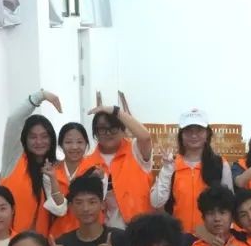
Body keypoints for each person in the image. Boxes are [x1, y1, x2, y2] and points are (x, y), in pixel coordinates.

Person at [151, 109, 233, 232]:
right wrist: (167, 169)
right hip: (179, 236)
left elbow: (228, 204)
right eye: (188, 130)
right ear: (181, 135)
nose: (194, 135)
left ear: (207, 134)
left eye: (199, 130)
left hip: (210, 238)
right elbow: (156, 202)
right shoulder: (171, 164)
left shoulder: (220, 165)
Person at [78, 98, 155, 227]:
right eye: (102, 129)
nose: (108, 133)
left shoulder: (135, 151)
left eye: (113, 128)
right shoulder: (87, 162)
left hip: (139, 228)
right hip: (102, 231)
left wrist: (115, 111)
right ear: (95, 132)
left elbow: (145, 137)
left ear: (122, 130)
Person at [0, 90, 67, 233]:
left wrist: (52, 179)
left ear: (51, 139)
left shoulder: (57, 168)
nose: (39, 142)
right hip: (10, 243)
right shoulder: (13, 159)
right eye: (33, 137)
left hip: (41, 244)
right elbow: (13, 121)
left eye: (44, 136)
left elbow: (60, 209)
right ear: (25, 139)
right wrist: (40, 96)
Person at [52, 174, 129, 246]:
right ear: (71, 207)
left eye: (92, 202)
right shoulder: (61, 244)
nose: (85, 208)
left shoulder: (120, 239)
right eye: (79, 203)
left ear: (102, 204)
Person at [48, 121, 100, 238]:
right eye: (68, 142)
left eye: (80, 142)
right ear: (60, 144)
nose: (74, 147)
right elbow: (58, 210)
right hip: (59, 234)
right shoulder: (51, 172)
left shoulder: (97, 169)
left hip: (91, 233)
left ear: (86, 144)